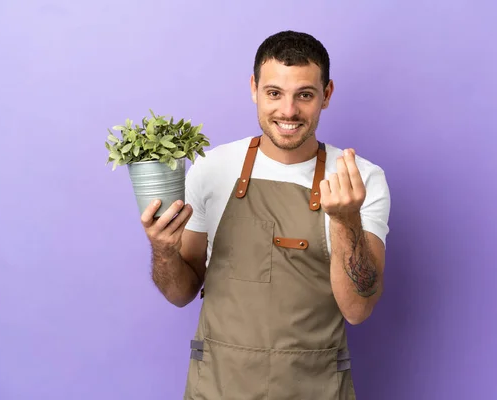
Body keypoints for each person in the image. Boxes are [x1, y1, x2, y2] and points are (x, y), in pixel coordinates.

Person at [140, 30, 391, 399]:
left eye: (304, 95)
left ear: (327, 95)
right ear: (254, 88)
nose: (288, 111)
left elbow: (357, 309)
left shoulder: (359, 179)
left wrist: (345, 219)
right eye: (274, 93)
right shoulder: (212, 168)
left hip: (315, 388)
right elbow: (181, 293)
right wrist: (162, 250)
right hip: (218, 387)